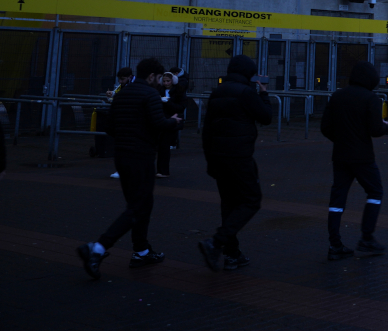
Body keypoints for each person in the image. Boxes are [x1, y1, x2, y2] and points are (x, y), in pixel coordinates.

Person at [76, 58, 181, 279]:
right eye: (158, 78)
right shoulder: (150, 94)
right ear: (151, 76)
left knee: (139, 204)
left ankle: (141, 250)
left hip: (122, 155)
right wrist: (173, 121)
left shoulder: (122, 94)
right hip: (141, 155)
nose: (160, 82)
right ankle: (98, 248)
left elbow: (111, 127)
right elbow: (158, 124)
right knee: (139, 206)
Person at [198, 55, 272, 272]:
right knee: (251, 200)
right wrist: (264, 93)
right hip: (239, 156)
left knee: (229, 203)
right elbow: (266, 117)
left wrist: (209, 159)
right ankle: (216, 243)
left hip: (218, 155)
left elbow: (207, 130)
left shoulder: (217, 92)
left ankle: (231, 253)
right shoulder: (247, 92)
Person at [320, 60, 388, 260]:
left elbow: (325, 127)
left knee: (337, 198)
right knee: (375, 191)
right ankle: (366, 238)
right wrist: (386, 126)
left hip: (340, 155)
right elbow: (376, 130)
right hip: (362, 157)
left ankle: (335, 244)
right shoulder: (371, 99)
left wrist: (342, 139)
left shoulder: (337, 96)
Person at [155, 71, 187, 178]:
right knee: (162, 146)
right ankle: (161, 170)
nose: (166, 83)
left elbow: (181, 107)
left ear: (172, 81)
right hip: (164, 120)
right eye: (164, 81)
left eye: (168, 81)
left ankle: (163, 170)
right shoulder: (160, 91)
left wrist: (167, 103)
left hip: (171, 120)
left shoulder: (178, 92)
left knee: (164, 146)